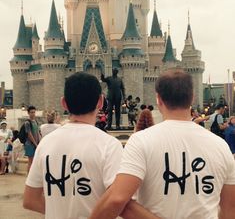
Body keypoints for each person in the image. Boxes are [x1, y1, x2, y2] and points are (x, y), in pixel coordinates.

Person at [88, 70, 235, 219]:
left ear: (158, 99)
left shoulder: (141, 141)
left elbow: (117, 199)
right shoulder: (220, 146)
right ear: (192, 98)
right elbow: (230, 210)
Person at [23, 71, 156, 219]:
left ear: (64, 103)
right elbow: (119, 201)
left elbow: (30, 200)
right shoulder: (109, 145)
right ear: (100, 102)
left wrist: (62, 212)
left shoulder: (46, 143)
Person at [24, 105, 41, 172]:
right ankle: (29, 176)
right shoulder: (27, 123)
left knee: (34, 161)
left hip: (36, 144)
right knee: (30, 161)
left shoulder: (36, 122)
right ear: (28, 113)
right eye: (31, 112)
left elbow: (37, 133)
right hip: (30, 144)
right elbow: (29, 134)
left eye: (34, 112)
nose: (33, 114)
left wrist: (39, 142)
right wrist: (35, 144)